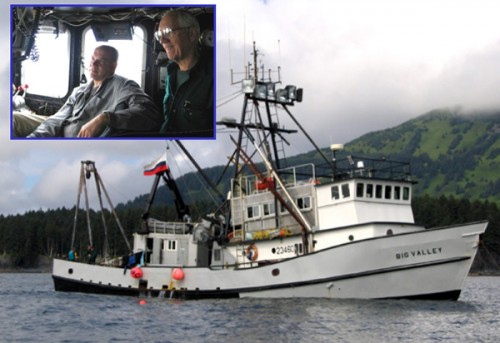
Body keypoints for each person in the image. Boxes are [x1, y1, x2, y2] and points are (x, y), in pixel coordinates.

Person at [15, 45, 162, 138]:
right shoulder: (79, 90)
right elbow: (58, 119)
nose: (94, 63)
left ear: (113, 66)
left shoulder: (124, 85)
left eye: (101, 61)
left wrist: (106, 118)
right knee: (13, 118)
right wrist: (36, 137)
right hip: (61, 129)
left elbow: (149, 114)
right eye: (93, 59)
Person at [156, 9, 214, 138]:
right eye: (159, 34)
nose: (162, 40)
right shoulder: (171, 72)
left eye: (167, 32)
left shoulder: (213, 78)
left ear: (192, 34)